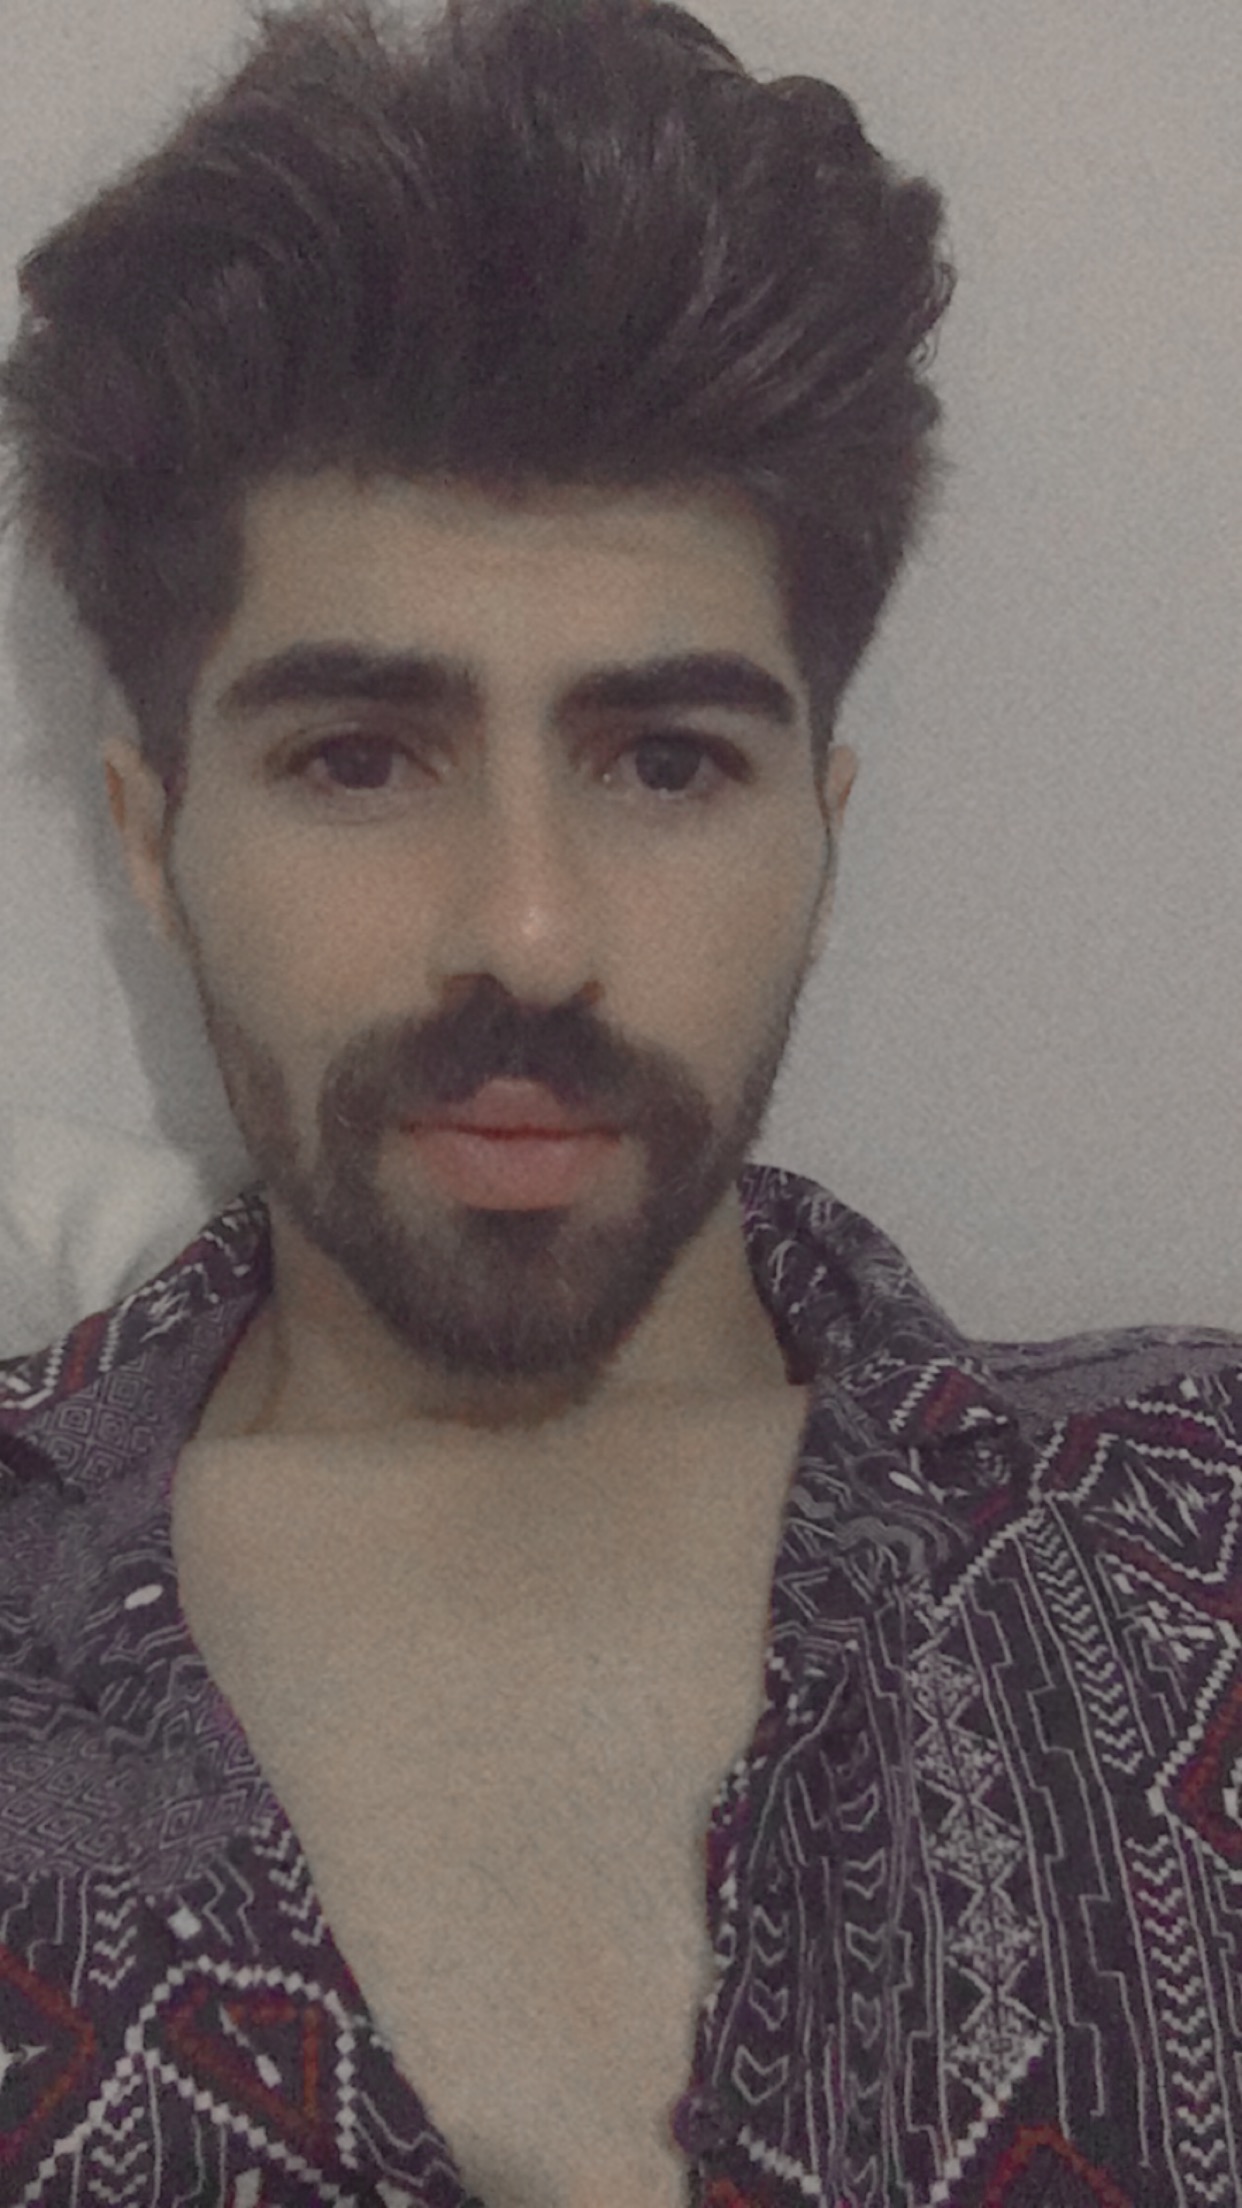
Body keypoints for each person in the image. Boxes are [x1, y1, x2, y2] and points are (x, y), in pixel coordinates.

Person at [0, 2, 1239, 2203]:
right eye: (356, 758)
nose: (531, 931)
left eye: (668, 762)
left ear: (820, 831)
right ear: (151, 837)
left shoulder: (1201, 1538)